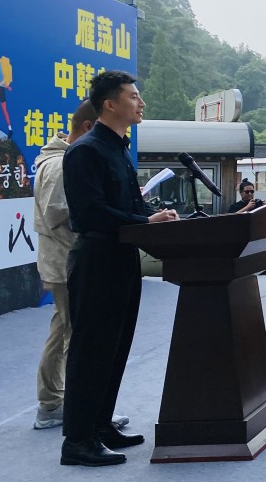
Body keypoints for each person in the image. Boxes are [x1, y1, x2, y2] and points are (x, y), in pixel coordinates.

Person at [60, 71, 179, 466]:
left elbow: (128, 206)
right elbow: (89, 213)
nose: (140, 103)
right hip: (96, 259)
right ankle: (77, 441)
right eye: (133, 96)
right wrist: (144, 222)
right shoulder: (86, 150)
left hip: (122, 258)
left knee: (115, 347)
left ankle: (100, 425)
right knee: (91, 350)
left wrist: (154, 216)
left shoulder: (118, 148)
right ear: (110, 104)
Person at [32, 101, 128, 431]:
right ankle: (76, 408)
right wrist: (101, 207)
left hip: (65, 259)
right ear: (89, 128)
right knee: (78, 337)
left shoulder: (64, 159)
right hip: (66, 261)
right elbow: (56, 212)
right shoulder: (61, 164)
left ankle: (55, 404)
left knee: (64, 331)